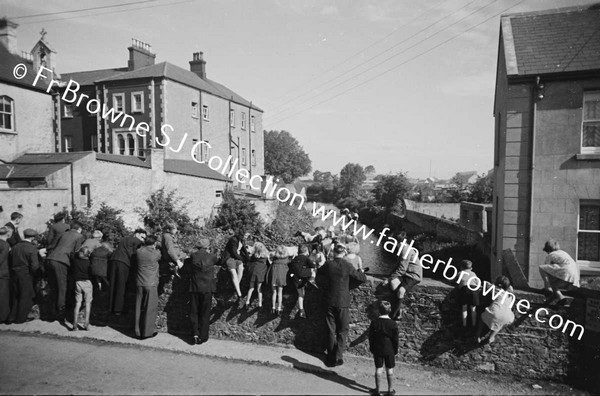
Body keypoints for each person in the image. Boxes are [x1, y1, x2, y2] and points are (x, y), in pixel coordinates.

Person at [319, 243, 367, 367]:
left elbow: (319, 273)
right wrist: (361, 271)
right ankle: (338, 356)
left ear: (334, 253)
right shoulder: (347, 266)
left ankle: (330, 356)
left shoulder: (328, 264)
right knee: (343, 330)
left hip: (329, 300)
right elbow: (361, 278)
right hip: (343, 301)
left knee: (330, 329)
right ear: (344, 253)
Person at [46, 221, 85, 321]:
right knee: (62, 287)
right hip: (62, 262)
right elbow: (76, 252)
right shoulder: (79, 236)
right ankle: (61, 313)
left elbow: (52, 245)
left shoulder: (63, 233)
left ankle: (50, 311)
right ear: (79, 229)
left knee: (53, 286)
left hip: (50, 259)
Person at [185, 238, 218, 345]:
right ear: (207, 247)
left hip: (195, 287)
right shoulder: (212, 257)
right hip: (207, 288)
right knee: (205, 312)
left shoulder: (193, 256)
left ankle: (194, 334)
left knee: (194, 311)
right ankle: (203, 336)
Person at [382, 233, 422, 320]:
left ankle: (394, 315)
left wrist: (388, 279)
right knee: (393, 283)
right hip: (407, 273)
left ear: (398, 242)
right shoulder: (403, 248)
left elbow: (402, 269)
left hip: (413, 275)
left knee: (401, 290)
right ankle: (398, 308)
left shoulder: (405, 250)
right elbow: (398, 265)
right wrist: (390, 277)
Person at [109, 229, 147, 315]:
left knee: (113, 284)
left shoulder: (125, 239)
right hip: (124, 263)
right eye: (142, 237)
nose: (142, 239)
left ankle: (111, 307)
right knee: (121, 285)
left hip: (113, 260)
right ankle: (118, 309)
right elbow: (135, 254)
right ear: (136, 234)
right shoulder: (137, 241)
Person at [8, 229, 41, 323]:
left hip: (14, 273)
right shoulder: (32, 248)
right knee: (25, 296)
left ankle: (12, 317)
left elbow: (10, 260)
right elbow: (35, 266)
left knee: (15, 296)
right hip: (25, 274)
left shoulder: (15, 246)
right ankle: (21, 318)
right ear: (33, 238)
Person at [368, 300, 398, 396]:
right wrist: (395, 350)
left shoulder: (374, 323)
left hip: (377, 348)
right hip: (389, 349)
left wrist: (372, 348)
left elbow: (371, 337)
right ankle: (390, 390)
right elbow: (395, 339)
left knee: (378, 368)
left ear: (379, 310)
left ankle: (378, 390)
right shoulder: (393, 324)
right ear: (390, 310)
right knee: (390, 369)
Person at [135, 235, 161, 339]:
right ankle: (147, 332)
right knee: (150, 308)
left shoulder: (138, 252)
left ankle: (137, 331)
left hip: (139, 282)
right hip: (151, 283)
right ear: (154, 243)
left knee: (138, 307)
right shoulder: (156, 253)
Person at [539, 239, 580, 305]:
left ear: (548, 249)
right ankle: (561, 298)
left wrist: (547, 284)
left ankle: (548, 288)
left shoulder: (551, 255)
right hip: (574, 278)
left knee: (542, 268)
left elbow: (545, 268)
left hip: (566, 272)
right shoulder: (563, 253)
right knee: (554, 285)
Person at [476, 275, 515, 344]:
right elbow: (511, 288)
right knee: (500, 324)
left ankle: (478, 335)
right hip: (508, 316)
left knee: (482, 318)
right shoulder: (510, 294)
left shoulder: (496, 289)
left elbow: (486, 283)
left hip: (495, 313)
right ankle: (491, 337)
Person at [289, 244, 317, 318]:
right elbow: (313, 266)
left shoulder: (295, 258)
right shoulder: (305, 258)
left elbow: (291, 265)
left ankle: (301, 310)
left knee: (301, 294)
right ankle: (312, 279)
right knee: (313, 269)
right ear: (306, 251)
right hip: (302, 275)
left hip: (295, 277)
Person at [71, 246, 93, 331]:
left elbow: (72, 254)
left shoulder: (75, 261)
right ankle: (86, 323)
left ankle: (74, 323)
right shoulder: (89, 263)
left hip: (78, 282)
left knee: (78, 303)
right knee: (88, 303)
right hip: (87, 283)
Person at [221, 230, 247, 301]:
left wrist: (247, 258)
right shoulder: (233, 240)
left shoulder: (242, 240)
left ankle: (235, 287)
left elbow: (244, 250)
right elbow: (234, 253)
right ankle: (239, 294)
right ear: (240, 235)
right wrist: (243, 259)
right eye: (245, 236)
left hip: (237, 258)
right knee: (233, 273)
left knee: (241, 268)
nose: (246, 237)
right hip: (230, 257)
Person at [243, 242, 270, 309]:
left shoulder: (253, 257)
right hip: (260, 274)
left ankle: (247, 302)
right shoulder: (265, 258)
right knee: (259, 289)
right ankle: (260, 304)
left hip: (252, 273)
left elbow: (248, 262)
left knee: (251, 288)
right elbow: (269, 265)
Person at [456, 260, 480, 328]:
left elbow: (456, 281)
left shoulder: (460, 273)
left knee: (464, 308)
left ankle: (464, 325)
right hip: (474, 289)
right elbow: (477, 282)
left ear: (461, 267)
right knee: (473, 309)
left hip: (465, 289)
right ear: (471, 268)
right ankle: (474, 325)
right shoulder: (473, 274)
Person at [270, 245, 289, 316]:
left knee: (274, 292)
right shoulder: (286, 259)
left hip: (274, 277)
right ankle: (279, 308)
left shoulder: (274, 258)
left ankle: (273, 307)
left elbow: (270, 257)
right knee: (280, 293)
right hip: (281, 277)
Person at [0, 227, 11, 323]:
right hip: (2, 273)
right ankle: (3, 317)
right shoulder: (5, 245)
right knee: (3, 295)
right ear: (7, 234)